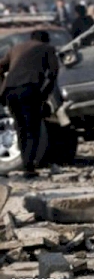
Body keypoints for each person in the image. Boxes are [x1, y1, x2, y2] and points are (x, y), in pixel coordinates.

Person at [0, 30, 59, 177]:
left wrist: (2, 86)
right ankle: (29, 167)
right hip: (29, 90)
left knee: (20, 128)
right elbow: (52, 74)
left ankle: (27, 165)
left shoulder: (15, 48)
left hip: (10, 92)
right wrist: (43, 95)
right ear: (46, 40)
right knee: (32, 128)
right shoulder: (48, 49)